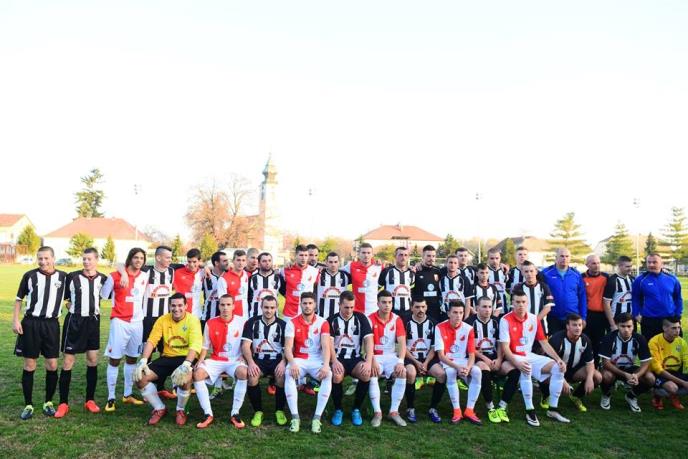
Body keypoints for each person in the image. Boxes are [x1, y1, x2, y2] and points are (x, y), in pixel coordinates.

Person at [499, 289, 570, 426]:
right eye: (517, 302)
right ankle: (529, 410)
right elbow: (505, 348)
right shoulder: (505, 320)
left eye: (523, 302)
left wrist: (558, 359)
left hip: (529, 355)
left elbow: (544, 342)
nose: (521, 305)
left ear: (528, 303)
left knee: (558, 367)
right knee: (526, 367)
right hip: (514, 356)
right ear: (512, 303)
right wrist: (517, 363)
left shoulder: (534, 319)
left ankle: (553, 409)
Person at [13, 246, 68, 420]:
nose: (43, 262)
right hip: (31, 324)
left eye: (46, 258)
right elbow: (19, 299)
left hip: (51, 325)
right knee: (30, 365)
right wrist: (15, 320)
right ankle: (28, 405)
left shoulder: (63, 277)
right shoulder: (29, 276)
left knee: (52, 364)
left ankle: (48, 402)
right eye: (40, 258)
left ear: (53, 258)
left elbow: (69, 298)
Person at [133, 293, 203, 426]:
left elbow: (195, 345)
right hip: (167, 357)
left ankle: (181, 410)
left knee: (185, 378)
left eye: (180, 305)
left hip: (186, 358)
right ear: (169, 306)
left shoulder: (193, 320)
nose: (177, 309)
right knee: (140, 378)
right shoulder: (162, 320)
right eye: (173, 305)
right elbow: (152, 341)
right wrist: (143, 360)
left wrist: (186, 364)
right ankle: (159, 408)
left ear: (186, 306)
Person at [55, 247, 107, 418]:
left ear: (96, 260)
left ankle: (90, 400)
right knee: (68, 361)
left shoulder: (103, 279)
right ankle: (63, 403)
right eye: (84, 259)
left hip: (93, 322)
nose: (86, 261)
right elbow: (64, 298)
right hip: (75, 322)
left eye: (89, 259)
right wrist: (70, 306)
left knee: (92, 359)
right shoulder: (72, 277)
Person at [100, 247, 149, 412]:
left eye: (141, 258)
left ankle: (127, 394)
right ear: (130, 258)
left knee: (132, 359)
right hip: (119, 322)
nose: (138, 261)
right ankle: (111, 397)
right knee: (114, 359)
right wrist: (122, 273)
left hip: (137, 323)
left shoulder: (145, 276)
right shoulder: (114, 276)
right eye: (135, 257)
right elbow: (103, 295)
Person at [192, 294, 249, 429]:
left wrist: (245, 357)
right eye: (222, 305)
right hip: (216, 359)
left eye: (228, 305)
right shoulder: (210, 323)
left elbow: (247, 343)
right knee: (198, 374)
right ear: (218, 306)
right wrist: (201, 360)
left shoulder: (242, 322)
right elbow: (205, 346)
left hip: (235, 359)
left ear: (233, 306)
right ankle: (208, 413)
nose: (225, 308)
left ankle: (235, 413)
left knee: (243, 372)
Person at [284, 292, 332, 433]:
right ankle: (295, 417)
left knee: (328, 374)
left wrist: (326, 365)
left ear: (315, 304)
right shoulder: (292, 322)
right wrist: (292, 363)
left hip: (316, 359)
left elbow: (326, 347)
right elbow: (287, 348)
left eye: (310, 303)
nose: (307, 306)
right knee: (288, 373)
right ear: (300, 304)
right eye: (304, 303)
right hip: (299, 359)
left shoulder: (323, 322)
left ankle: (317, 418)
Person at [241, 295, 288, 427]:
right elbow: (245, 346)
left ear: (276, 308)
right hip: (258, 359)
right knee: (252, 376)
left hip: (276, 360)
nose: (269, 310)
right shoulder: (252, 322)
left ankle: (279, 410)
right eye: (266, 307)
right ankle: (258, 411)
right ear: (261, 307)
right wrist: (251, 363)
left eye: (272, 308)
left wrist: (283, 363)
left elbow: (289, 348)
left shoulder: (283, 325)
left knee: (281, 377)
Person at [328, 290, 374, 426]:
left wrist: (368, 362)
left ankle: (356, 409)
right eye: (346, 307)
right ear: (339, 305)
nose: (349, 310)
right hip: (338, 358)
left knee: (366, 374)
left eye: (352, 307)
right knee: (336, 376)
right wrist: (334, 361)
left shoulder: (361, 318)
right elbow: (328, 344)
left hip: (355, 358)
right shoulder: (331, 320)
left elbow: (369, 341)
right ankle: (338, 409)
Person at [434, 300, 483, 425]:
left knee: (477, 372)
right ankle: (457, 411)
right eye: (455, 312)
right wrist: (458, 367)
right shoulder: (439, 327)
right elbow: (441, 356)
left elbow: (471, 354)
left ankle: (469, 410)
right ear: (448, 313)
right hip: (448, 361)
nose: (458, 316)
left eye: (461, 313)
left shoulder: (469, 329)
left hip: (463, 361)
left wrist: (468, 367)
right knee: (451, 372)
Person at [541, 313, 602, 413]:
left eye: (580, 325)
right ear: (567, 326)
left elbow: (590, 363)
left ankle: (576, 396)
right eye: (574, 325)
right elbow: (548, 365)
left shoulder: (585, 340)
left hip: (574, 371)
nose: (578, 328)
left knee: (597, 377)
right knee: (544, 374)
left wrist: (590, 379)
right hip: (554, 371)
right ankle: (546, 395)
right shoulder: (557, 339)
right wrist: (562, 381)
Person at [368, 290, 409, 427]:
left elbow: (402, 343)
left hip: (391, 355)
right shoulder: (369, 318)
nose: (387, 305)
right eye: (384, 302)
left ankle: (394, 412)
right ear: (378, 303)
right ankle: (377, 412)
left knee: (402, 373)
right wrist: (372, 360)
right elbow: (366, 344)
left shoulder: (397, 319)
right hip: (375, 355)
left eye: (390, 302)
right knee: (372, 373)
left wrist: (400, 362)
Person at [598, 313, 654, 412]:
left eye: (629, 326)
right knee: (606, 376)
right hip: (612, 368)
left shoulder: (640, 339)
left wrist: (636, 375)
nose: (626, 329)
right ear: (617, 325)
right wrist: (625, 375)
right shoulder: (609, 338)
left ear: (633, 326)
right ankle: (606, 394)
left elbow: (646, 363)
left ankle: (631, 396)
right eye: (622, 326)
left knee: (650, 378)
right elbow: (606, 363)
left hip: (630, 368)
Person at [403, 298, 444, 423]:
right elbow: (402, 347)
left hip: (428, 359)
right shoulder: (405, 322)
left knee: (441, 375)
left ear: (426, 307)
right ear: (411, 308)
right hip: (410, 358)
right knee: (411, 374)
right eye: (417, 307)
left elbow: (434, 347)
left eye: (423, 307)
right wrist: (416, 362)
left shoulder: (434, 324)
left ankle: (433, 408)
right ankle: (410, 408)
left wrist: (425, 363)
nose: (420, 310)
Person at [465, 296, 502, 423]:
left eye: (490, 307)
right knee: (484, 370)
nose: (487, 310)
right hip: (476, 356)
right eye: (484, 306)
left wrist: (499, 359)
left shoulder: (497, 322)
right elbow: (469, 347)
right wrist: (484, 358)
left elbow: (501, 344)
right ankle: (490, 406)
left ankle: (503, 405)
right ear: (477, 308)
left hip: (495, 356)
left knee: (514, 370)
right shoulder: (469, 322)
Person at [632, 253, 683, 342]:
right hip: (649, 320)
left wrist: (678, 315)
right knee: (651, 347)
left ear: (661, 264)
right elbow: (635, 298)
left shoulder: (672, 279)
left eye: (654, 262)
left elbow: (678, 298)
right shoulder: (640, 280)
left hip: (670, 318)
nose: (651, 264)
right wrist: (636, 314)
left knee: (674, 347)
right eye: (649, 262)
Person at [541, 248, 587, 335]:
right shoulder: (546, 273)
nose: (564, 258)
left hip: (573, 317)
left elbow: (582, 297)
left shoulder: (576, 274)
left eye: (567, 256)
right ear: (556, 258)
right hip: (553, 317)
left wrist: (583, 317)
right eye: (562, 256)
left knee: (571, 341)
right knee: (555, 342)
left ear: (570, 258)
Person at [648, 317, 688, 410]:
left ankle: (673, 395)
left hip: (675, 372)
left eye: (678, 327)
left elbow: (687, 360)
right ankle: (657, 395)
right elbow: (658, 369)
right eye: (673, 328)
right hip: (659, 374)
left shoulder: (681, 342)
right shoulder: (654, 342)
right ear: (664, 328)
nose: (677, 331)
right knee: (672, 388)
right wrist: (683, 382)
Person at [513, 261, 554, 337]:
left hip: (540, 325)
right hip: (522, 326)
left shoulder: (543, 287)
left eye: (531, 271)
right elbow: (514, 308)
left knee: (541, 344)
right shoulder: (518, 288)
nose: (529, 274)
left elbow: (548, 307)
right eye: (526, 271)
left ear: (536, 271)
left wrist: (534, 321)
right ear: (522, 273)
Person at [343, 243, 383, 316]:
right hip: (356, 310)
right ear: (359, 254)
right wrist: (322, 269)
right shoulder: (352, 265)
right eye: (363, 253)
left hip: (373, 310)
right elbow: (335, 269)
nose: (366, 255)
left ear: (372, 254)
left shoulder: (379, 266)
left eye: (368, 253)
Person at [582, 254, 609, 362]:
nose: (597, 265)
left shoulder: (606, 277)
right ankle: (586, 365)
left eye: (598, 263)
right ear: (587, 265)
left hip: (601, 316)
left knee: (599, 342)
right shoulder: (581, 277)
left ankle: (597, 365)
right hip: (587, 314)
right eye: (593, 263)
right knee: (586, 342)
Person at [280, 245, 320, 318]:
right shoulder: (285, 270)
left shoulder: (315, 272)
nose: (303, 258)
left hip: (307, 314)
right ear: (296, 256)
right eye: (301, 255)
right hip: (289, 314)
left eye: (306, 255)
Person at [379, 247, 415, 316]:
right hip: (391, 312)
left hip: (408, 312)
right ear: (395, 256)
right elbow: (377, 289)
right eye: (401, 255)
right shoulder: (386, 271)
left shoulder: (412, 273)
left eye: (405, 255)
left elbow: (413, 292)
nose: (403, 258)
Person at [411, 245, 443, 321]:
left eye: (433, 256)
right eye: (428, 256)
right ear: (423, 256)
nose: (431, 258)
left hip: (435, 310)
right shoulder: (416, 270)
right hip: (420, 309)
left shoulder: (438, 271)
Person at [316, 252, 351, 319]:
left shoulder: (345, 276)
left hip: (340, 317)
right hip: (322, 316)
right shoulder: (319, 274)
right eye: (330, 262)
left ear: (339, 262)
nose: (333, 264)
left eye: (335, 262)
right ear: (326, 263)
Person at [172, 248, 205, 321]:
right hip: (181, 315)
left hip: (197, 315)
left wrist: (205, 266)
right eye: (189, 262)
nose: (191, 265)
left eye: (194, 262)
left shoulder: (202, 273)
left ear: (199, 261)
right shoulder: (178, 272)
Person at [247, 252, 283, 319]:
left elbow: (286, 294)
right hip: (255, 316)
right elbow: (247, 299)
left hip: (273, 318)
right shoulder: (252, 278)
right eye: (264, 261)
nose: (267, 263)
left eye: (269, 260)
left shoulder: (278, 278)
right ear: (259, 264)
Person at [603, 255, 635, 330]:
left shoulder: (633, 279)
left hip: (630, 320)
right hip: (616, 320)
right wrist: (612, 324)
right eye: (627, 266)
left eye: (631, 266)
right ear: (620, 266)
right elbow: (606, 303)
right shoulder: (613, 280)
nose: (630, 268)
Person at [217, 249, 250, 320]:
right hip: (231, 317)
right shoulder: (223, 279)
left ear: (246, 262)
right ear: (233, 261)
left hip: (246, 317)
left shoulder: (248, 275)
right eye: (238, 260)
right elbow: (222, 301)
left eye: (243, 260)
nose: (241, 263)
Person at [201, 251, 228, 329]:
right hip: (207, 317)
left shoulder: (229, 275)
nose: (227, 263)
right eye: (224, 261)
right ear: (216, 263)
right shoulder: (205, 274)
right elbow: (194, 263)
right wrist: (204, 266)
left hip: (223, 318)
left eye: (227, 261)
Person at [440, 255, 471, 319]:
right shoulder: (441, 280)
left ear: (458, 265)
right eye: (450, 262)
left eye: (455, 263)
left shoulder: (464, 279)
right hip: (444, 314)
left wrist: (466, 317)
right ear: (446, 264)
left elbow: (467, 300)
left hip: (459, 315)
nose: (452, 265)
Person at [487, 248, 508, 313]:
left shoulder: (504, 270)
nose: (495, 261)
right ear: (488, 259)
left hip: (503, 306)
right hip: (489, 307)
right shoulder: (484, 271)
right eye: (492, 258)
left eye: (497, 258)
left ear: (500, 258)